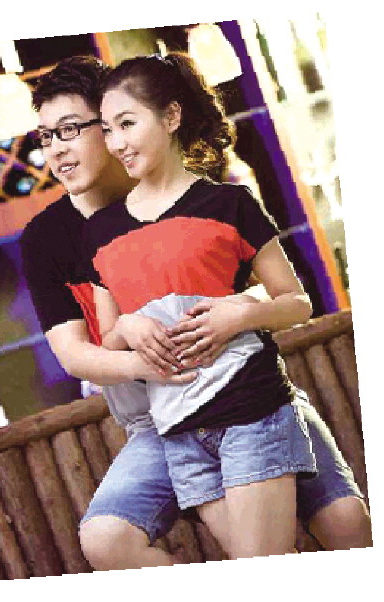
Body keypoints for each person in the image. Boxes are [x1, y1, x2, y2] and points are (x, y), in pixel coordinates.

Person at [20, 55, 371, 569]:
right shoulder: (50, 238)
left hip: (247, 393)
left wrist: (240, 310)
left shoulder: (197, 191)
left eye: (71, 129)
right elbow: (75, 355)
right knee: (106, 539)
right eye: (46, 136)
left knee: (345, 523)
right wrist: (153, 356)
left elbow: (282, 293)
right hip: (158, 420)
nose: (56, 149)